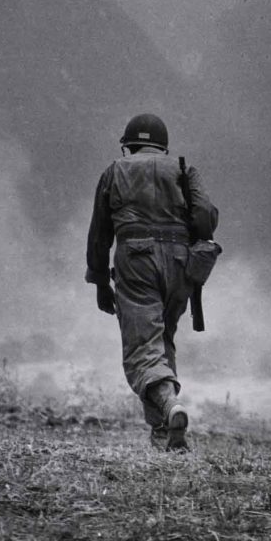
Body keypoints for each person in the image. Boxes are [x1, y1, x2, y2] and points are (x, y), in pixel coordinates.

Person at [85, 113, 218, 451]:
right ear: (163, 145)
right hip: (178, 264)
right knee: (162, 342)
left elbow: (100, 234)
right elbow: (204, 219)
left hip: (137, 260)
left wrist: (101, 281)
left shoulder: (115, 170)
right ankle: (165, 435)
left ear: (128, 145)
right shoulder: (184, 169)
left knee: (143, 349)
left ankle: (171, 408)